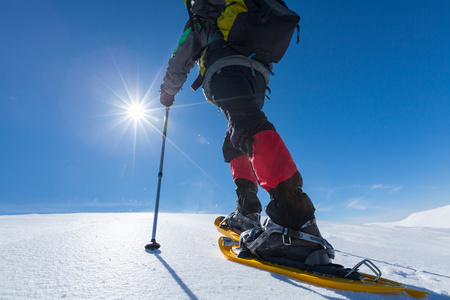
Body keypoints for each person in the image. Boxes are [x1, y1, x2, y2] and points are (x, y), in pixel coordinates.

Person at [160, 2, 333, 266]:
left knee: (248, 126)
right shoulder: (242, 4)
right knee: (237, 138)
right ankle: (249, 211)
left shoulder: (204, 13)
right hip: (257, 76)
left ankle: (295, 224)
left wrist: (168, 92)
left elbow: (181, 56)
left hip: (224, 67)